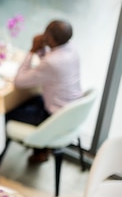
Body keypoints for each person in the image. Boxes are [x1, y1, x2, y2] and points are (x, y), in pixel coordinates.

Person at [8, 19, 82, 163]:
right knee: (33, 98)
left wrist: (31, 51)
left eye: (46, 33)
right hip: (73, 111)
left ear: (52, 40)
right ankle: (40, 151)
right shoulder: (72, 49)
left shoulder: (51, 62)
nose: (43, 35)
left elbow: (19, 81)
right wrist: (42, 50)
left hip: (54, 118)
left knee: (7, 111)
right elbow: (49, 66)